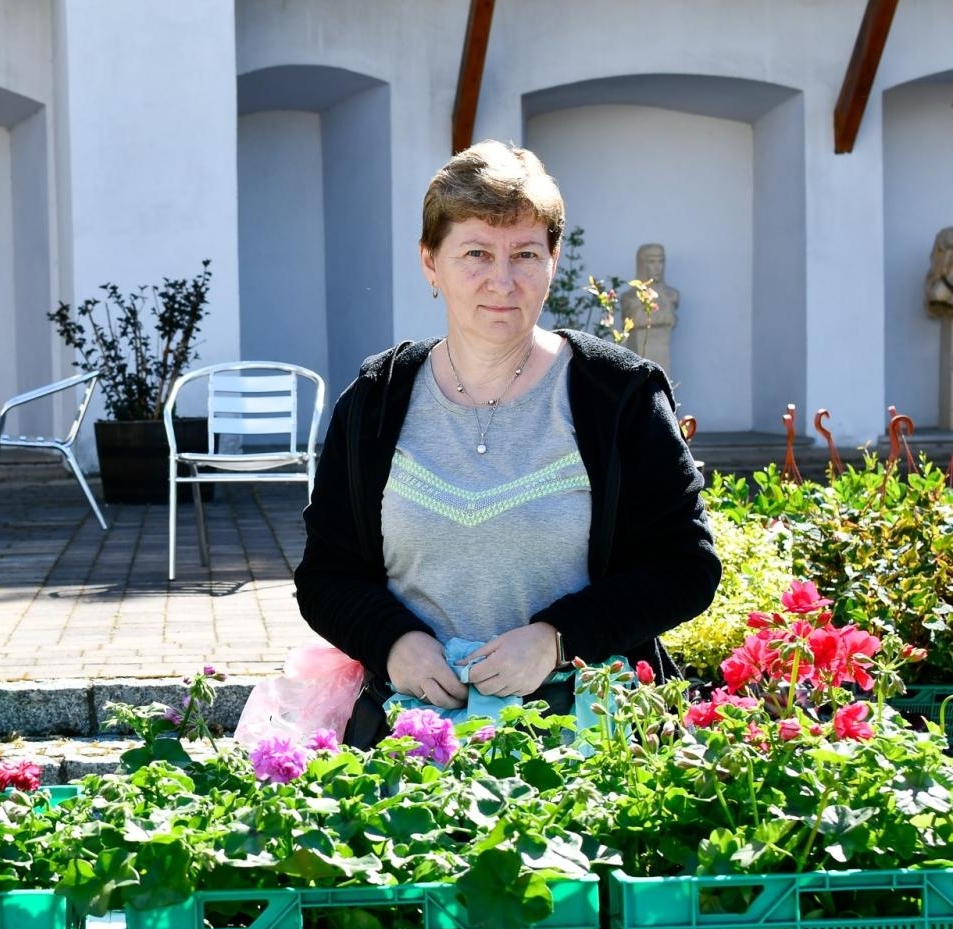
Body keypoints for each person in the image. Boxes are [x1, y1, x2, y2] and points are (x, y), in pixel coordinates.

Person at [295, 140, 719, 739]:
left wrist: (556, 639)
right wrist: (394, 642)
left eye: (525, 254)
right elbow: (326, 573)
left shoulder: (618, 396)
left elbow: (686, 565)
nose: (502, 280)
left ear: (552, 260)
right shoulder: (376, 401)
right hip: (409, 731)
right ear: (429, 263)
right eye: (475, 253)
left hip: (586, 729)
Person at [619, 242, 680, 373]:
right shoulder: (630, 298)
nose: (658, 267)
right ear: (641, 264)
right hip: (640, 365)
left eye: (661, 261)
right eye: (652, 262)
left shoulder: (671, 296)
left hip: (664, 363)